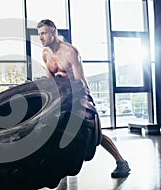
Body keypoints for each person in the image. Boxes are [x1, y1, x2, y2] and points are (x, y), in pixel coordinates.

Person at [37, 19, 131, 178]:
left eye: (44, 33)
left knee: (95, 134)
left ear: (54, 32)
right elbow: (50, 80)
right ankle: (60, 172)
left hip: (79, 96)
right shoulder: (46, 54)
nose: (41, 37)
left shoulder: (70, 52)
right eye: (39, 34)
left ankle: (121, 162)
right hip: (61, 98)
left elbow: (79, 82)